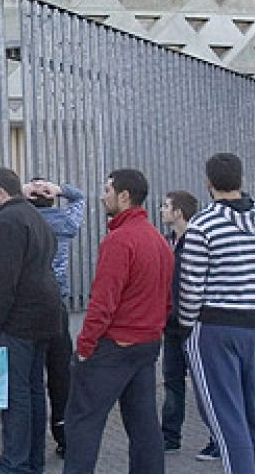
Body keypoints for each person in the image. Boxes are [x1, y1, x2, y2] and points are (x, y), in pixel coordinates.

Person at [176, 152, 255, 474]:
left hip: (214, 326)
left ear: (208, 182)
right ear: (242, 180)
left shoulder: (202, 225)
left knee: (223, 418)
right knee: (251, 412)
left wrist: (184, 326)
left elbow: (191, 285)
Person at [62, 169, 171, 474]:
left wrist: (85, 346)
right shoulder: (159, 241)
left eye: (107, 189)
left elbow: (103, 301)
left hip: (114, 347)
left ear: (124, 196)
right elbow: (167, 298)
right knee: (144, 425)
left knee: (82, 422)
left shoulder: (120, 240)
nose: (102, 195)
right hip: (147, 346)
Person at [0, 167, 63, 474]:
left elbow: (1, 279)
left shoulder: (8, 220)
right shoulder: (35, 217)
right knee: (34, 392)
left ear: (1, 192)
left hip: (17, 321)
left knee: (15, 396)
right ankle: (32, 461)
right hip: (44, 316)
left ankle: (15, 464)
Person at [25, 176, 85, 457]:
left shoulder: (20, 223)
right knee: (61, 376)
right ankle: (65, 437)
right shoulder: (65, 223)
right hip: (57, 305)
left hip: (27, 309)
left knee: (31, 377)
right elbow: (80, 198)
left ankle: (30, 441)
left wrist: (23, 191)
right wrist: (62, 189)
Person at [158, 190, 212, 456]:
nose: (162, 210)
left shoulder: (197, 241)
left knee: (205, 384)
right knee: (172, 380)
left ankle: (216, 435)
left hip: (195, 323)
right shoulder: (166, 242)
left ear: (179, 211)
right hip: (171, 324)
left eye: (166, 206)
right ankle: (170, 436)